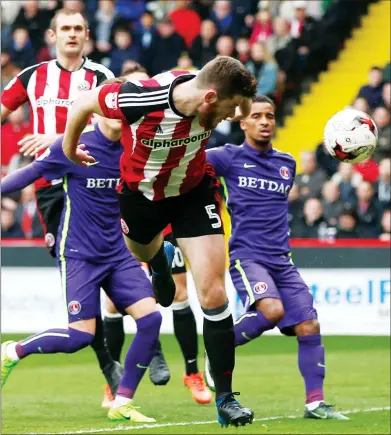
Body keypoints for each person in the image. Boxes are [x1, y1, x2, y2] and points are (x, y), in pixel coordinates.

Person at [61, 55, 257, 427]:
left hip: (193, 191)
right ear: (209, 98)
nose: (234, 118)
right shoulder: (139, 98)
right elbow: (83, 102)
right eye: (229, 109)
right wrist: (70, 149)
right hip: (141, 197)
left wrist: (241, 105)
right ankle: (158, 262)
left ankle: (227, 398)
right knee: (143, 250)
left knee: (213, 292)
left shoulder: (210, 90)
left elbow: (241, 95)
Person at [1, 96, 161, 423]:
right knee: (80, 337)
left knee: (151, 320)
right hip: (79, 254)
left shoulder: (136, 149)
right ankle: (12, 351)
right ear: (99, 109)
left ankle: (122, 402)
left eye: (126, 111)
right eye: (114, 108)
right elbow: (31, 173)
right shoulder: (74, 145)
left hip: (118, 252)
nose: (120, 115)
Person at [0, 7, 120, 405]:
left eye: (77, 29)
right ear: (52, 35)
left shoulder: (102, 78)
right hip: (53, 188)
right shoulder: (33, 77)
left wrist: (52, 136)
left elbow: (112, 123)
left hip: (96, 184)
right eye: (64, 29)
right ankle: (112, 374)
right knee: (85, 278)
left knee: (118, 267)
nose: (71, 35)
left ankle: (124, 367)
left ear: (87, 34)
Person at [204, 95, 348, 420]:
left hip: (281, 259)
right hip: (246, 255)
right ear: (243, 123)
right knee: (271, 310)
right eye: (257, 116)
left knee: (309, 325)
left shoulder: (287, 163)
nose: (265, 121)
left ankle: (315, 404)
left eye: (269, 115)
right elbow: (189, 165)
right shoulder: (226, 157)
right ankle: (218, 352)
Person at [100, 64, 212, 406]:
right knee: (115, 301)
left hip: (165, 210)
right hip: (122, 221)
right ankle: (112, 379)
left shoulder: (163, 120)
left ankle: (192, 372)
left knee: (179, 292)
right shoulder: (106, 134)